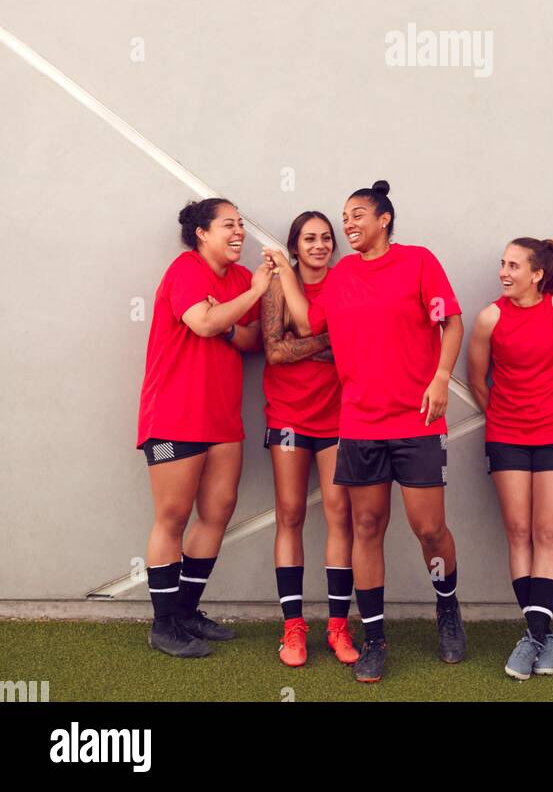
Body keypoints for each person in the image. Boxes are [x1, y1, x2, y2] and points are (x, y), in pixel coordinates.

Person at [266, 180, 466, 683]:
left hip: (417, 422)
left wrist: (441, 377)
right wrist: (287, 274)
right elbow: (311, 324)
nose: (348, 224)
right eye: (344, 216)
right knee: (367, 527)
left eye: (358, 215)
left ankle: (447, 607)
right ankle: (374, 638)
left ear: (385, 220)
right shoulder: (342, 276)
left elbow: (453, 323)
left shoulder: (419, 261)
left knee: (429, 529)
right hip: (357, 424)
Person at [136, 198, 271, 658]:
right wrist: (253, 295)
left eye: (241, 226)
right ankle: (163, 623)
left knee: (218, 511)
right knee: (172, 517)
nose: (239, 233)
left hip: (221, 418)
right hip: (174, 415)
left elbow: (252, 340)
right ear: (202, 233)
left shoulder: (235, 279)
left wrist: (232, 319)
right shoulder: (186, 269)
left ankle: (187, 610)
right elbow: (205, 321)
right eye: (229, 225)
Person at [468, 238, 553, 679]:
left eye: (513, 265)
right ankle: (541, 635)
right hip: (507, 435)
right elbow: (478, 379)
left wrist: (550, 409)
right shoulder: (489, 318)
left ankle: (534, 638)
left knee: (548, 532)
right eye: (502, 263)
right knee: (519, 532)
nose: (503, 272)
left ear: (537, 274)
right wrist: (507, 414)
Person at [261, 211, 358, 667]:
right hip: (287, 416)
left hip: (339, 418)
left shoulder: (345, 283)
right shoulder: (281, 283)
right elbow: (276, 351)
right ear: (294, 246)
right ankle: (292, 628)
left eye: (325, 238)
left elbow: (355, 349)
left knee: (341, 514)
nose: (318, 245)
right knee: (291, 513)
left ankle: (338, 626)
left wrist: (312, 337)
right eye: (308, 239)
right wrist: (327, 339)